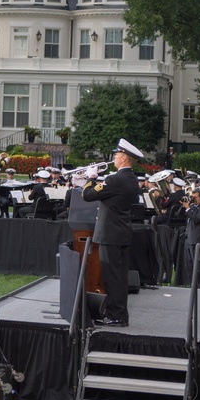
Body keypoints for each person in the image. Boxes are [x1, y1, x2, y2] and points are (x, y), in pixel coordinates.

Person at [81, 138, 144, 327]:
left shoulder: (115, 179)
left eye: (116, 155)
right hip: (121, 232)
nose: (114, 158)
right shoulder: (131, 179)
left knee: (112, 277)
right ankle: (120, 314)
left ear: (124, 158)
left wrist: (91, 178)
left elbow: (87, 195)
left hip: (111, 234)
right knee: (120, 277)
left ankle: (115, 315)